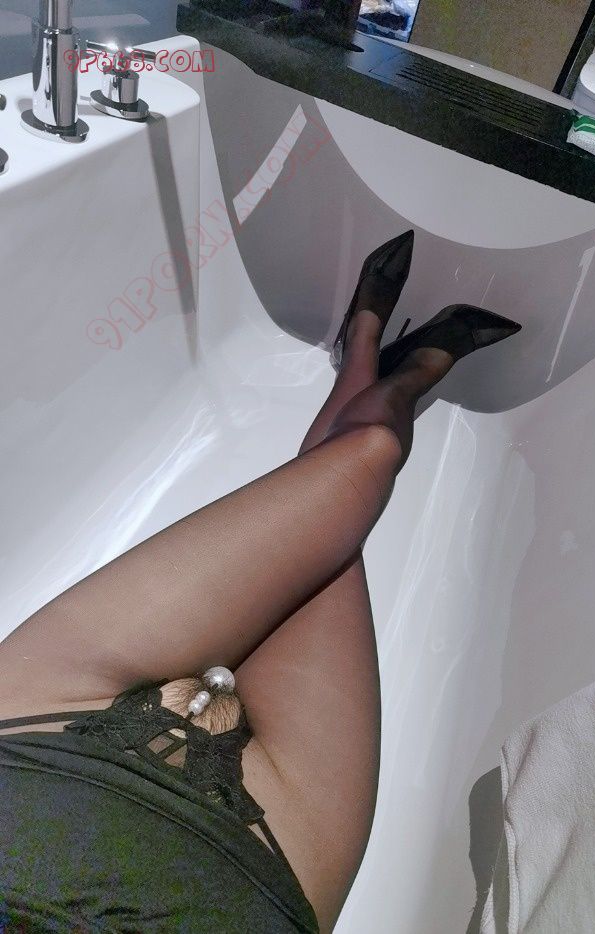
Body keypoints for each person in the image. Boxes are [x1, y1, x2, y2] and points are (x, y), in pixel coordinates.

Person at [0, 231, 520, 933]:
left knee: (366, 460)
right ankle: (381, 365)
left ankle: (368, 355)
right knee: (348, 495)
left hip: (31, 750)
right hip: (268, 872)